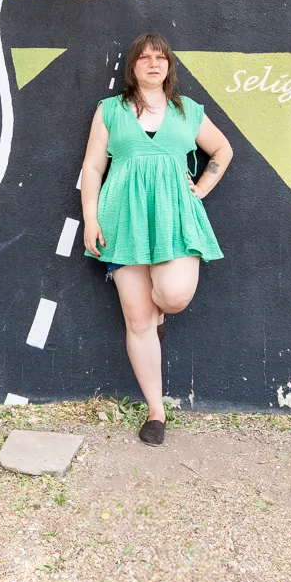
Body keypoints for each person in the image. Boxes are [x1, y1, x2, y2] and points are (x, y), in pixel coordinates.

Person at [79, 33, 232, 446]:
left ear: (169, 65)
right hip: (121, 219)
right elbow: (93, 167)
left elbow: (222, 150)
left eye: (160, 57)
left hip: (175, 218)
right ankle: (156, 411)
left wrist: (201, 186)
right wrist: (90, 219)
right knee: (137, 318)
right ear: (132, 66)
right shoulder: (110, 111)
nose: (152, 63)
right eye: (144, 58)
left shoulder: (188, 110)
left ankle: (162, 316)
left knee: (174, 295)